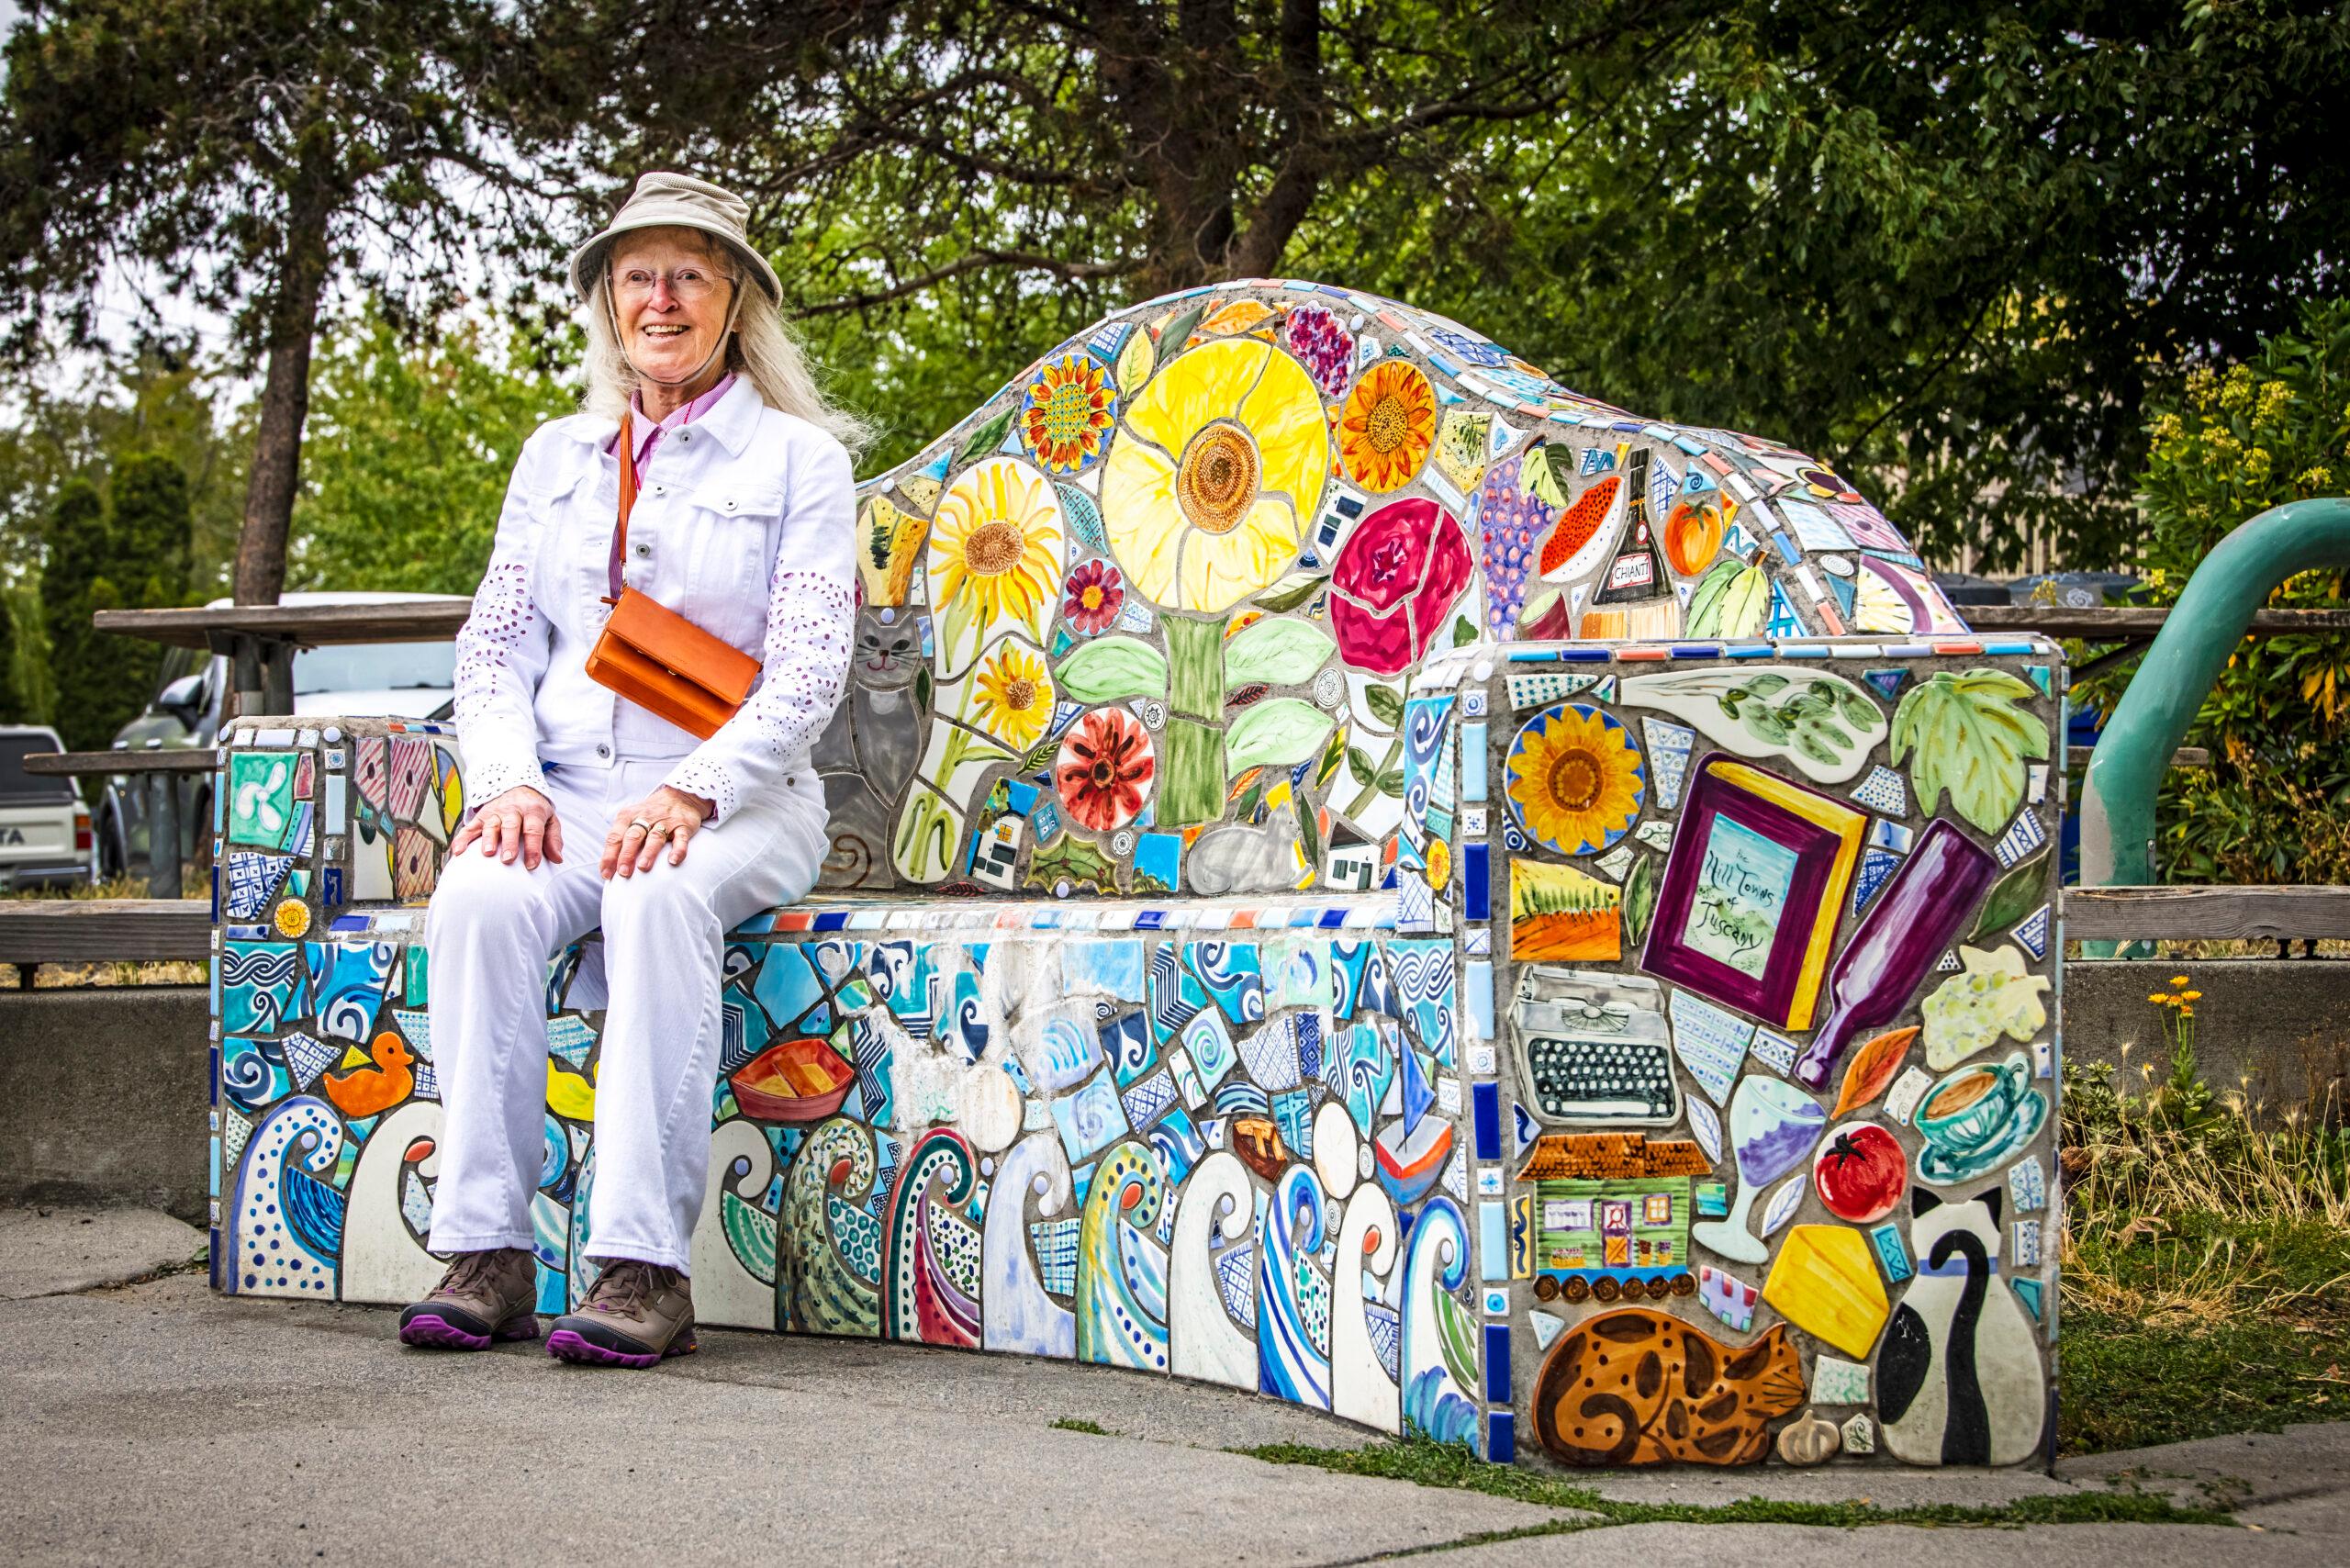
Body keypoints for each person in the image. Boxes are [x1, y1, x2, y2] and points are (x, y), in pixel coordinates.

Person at [397, 172, 863, 1368]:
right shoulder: (555, 458)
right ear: (609, 299)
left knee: (657, 896)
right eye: (638, 274)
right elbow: (494, 643)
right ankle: (487, 1250)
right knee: (480, 899)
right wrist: (508, 783)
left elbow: (810, 669)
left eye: (689, 274)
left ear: (734, 300)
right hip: (568, 799)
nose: (661, 298)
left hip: (737, 800)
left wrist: (696, 788)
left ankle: (642, 1268)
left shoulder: (798, 462)